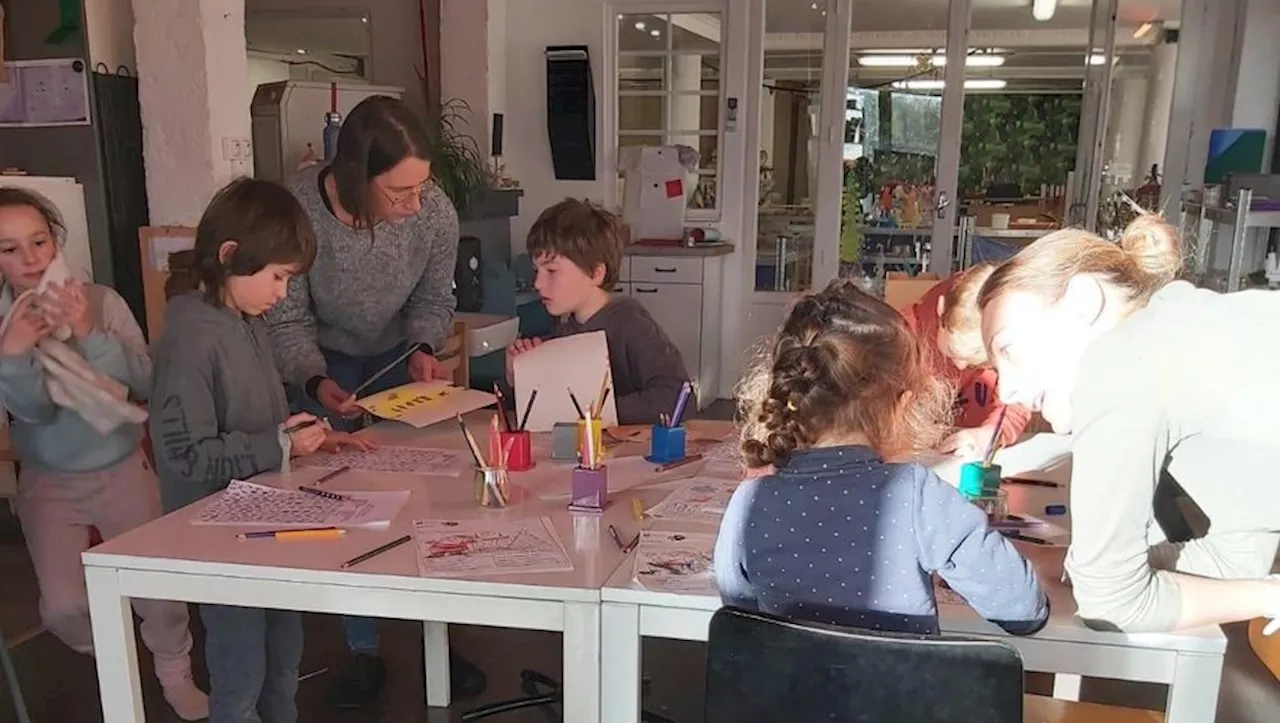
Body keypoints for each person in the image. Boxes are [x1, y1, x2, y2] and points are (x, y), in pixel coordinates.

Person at [263, 94, 481, 708]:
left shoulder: (432, 211)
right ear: (355, 175)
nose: (416, 205)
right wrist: (313, 382)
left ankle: (438, 638)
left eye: (423, 187)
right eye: (399, 193)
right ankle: (363, 649)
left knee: (426, 500)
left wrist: (422, 344)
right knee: (350, 512)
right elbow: (286, 319)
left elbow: (437, 296)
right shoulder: (299, 209)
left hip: (397, 362)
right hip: (325, 363)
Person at [978, 214, 1280, 633]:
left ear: (1084, 302)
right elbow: (1231, 567)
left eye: (1008, 349)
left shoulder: (1121, 362)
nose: (1006, 392)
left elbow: (1110, 603)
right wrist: (1061, 563)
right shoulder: (1185, 334)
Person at [715, 278, 1048, 636]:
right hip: (899, 691)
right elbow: (1022, 607)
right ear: (901, 407)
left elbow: (742, 614)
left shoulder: (749, 502)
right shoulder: (917, 494)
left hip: (786, 691)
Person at [150, 178, 369, 723]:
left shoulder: (248, 323)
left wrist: (304, 437)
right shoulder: (190, 338)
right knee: (241, 670)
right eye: (277, 277)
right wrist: (278, 443)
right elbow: (186, 455)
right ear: (229, 256)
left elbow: (259, 423)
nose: (281, 293)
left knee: (283, 660)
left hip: (262, 522)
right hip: (217, 536)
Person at [0, 188, 208, 721]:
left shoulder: (101, 301)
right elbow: (35, 413)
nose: (29, 258)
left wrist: (89, 332)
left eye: (39, 241)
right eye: (8, 248)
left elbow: (143, 379)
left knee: (159, 593)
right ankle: (115, 659)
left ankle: (173, 671)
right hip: (49, 480)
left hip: (121, 467)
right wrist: (14, 354)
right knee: (64, 607)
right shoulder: (6, 327)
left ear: (56, 240)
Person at [505, 199, 691, 423]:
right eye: (537, 271)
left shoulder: (631, 324)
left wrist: (594, 412)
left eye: (552, 271)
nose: (537, 283)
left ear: (595, 273)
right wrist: (517, 378)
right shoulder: (559, 331)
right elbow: (537, 412)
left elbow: (679, 398)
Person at [900, 263, 1030, 458]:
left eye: (978, 363)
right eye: (952, 352)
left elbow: (1016, 401)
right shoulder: (901, 335)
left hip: (969, 458)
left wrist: (991, 433)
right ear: (941, 309)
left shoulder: (1006, 340)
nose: (961, 367)